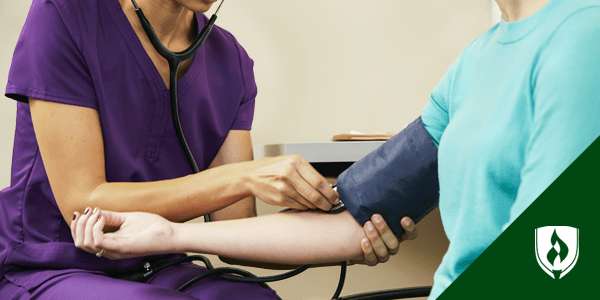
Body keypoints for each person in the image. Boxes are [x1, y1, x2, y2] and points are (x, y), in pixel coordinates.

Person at [70, 0, 600, 298]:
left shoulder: (583, 36)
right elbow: (353, 219)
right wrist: (171, 233)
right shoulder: (476, 62)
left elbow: (554, 265)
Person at [0, 0, 414, 299]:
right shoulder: (64, 15)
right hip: (50, 266)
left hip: (160, 265)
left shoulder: (231, 62)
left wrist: (347, 236)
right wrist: (246, 176)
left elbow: (232, 226)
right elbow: (83, 200)